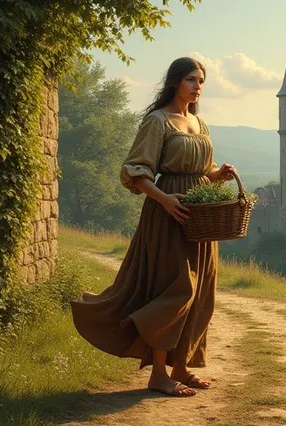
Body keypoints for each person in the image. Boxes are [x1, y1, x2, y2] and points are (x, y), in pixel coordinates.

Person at [70, 57, 236, 397]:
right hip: (167, 217)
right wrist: (165, 200)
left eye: (201, 81)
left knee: (201, 291)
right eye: (191, 79)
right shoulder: (158, 122)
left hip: (199, 220)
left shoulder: (198, 123)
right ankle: (158, 374)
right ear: (176, 81)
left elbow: (201, 173)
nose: (197, 86)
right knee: (176, 291)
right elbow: (135, 172)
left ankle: (180, 367)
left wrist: (217, 176)